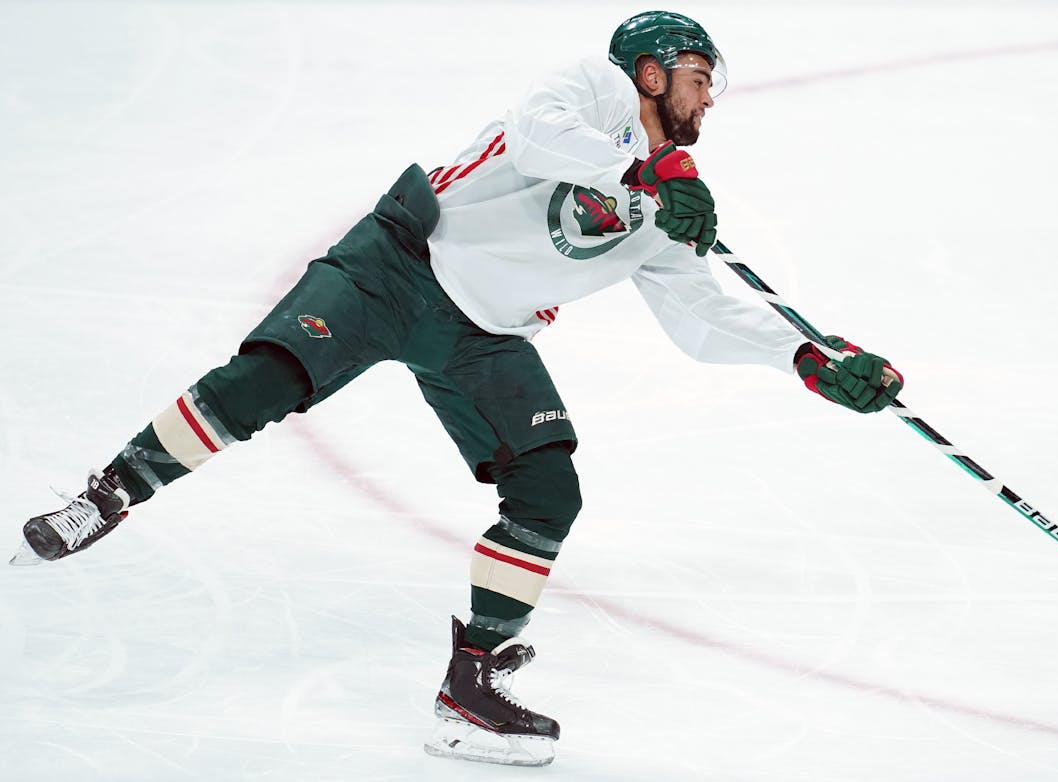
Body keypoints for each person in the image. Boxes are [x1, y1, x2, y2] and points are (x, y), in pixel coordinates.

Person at [10, 10, 904, 767]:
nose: (711, 96)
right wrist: (644, 170)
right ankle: (107, 495)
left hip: (483, 333)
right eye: (699, 76)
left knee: (549, 488)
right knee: (263, 382)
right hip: (396, 265)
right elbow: (537, 134)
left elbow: (705, 315)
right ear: (649, 70)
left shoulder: (671, 208)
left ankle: (470, 683)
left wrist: (813, 360)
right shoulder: (592, 93)